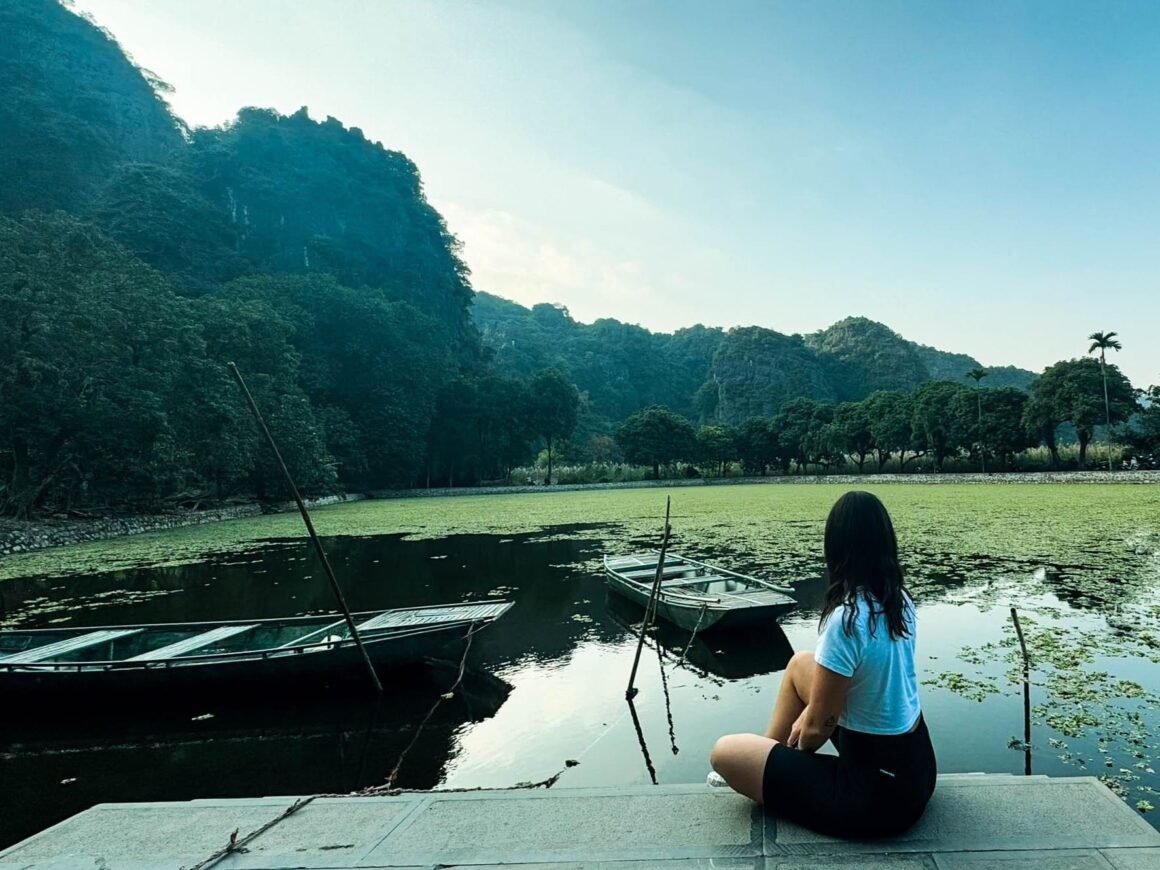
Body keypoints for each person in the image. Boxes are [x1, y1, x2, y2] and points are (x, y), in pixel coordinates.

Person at [709, 491, 937, 839]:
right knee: (800, 663)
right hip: (918, 772)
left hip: (877, 799)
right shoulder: (899, 600)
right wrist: (813, 714)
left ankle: (768, 759)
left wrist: (806, 734)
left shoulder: (845, 620)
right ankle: (768, 751)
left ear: (835, 548)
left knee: (724, 753)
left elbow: (818, 731)